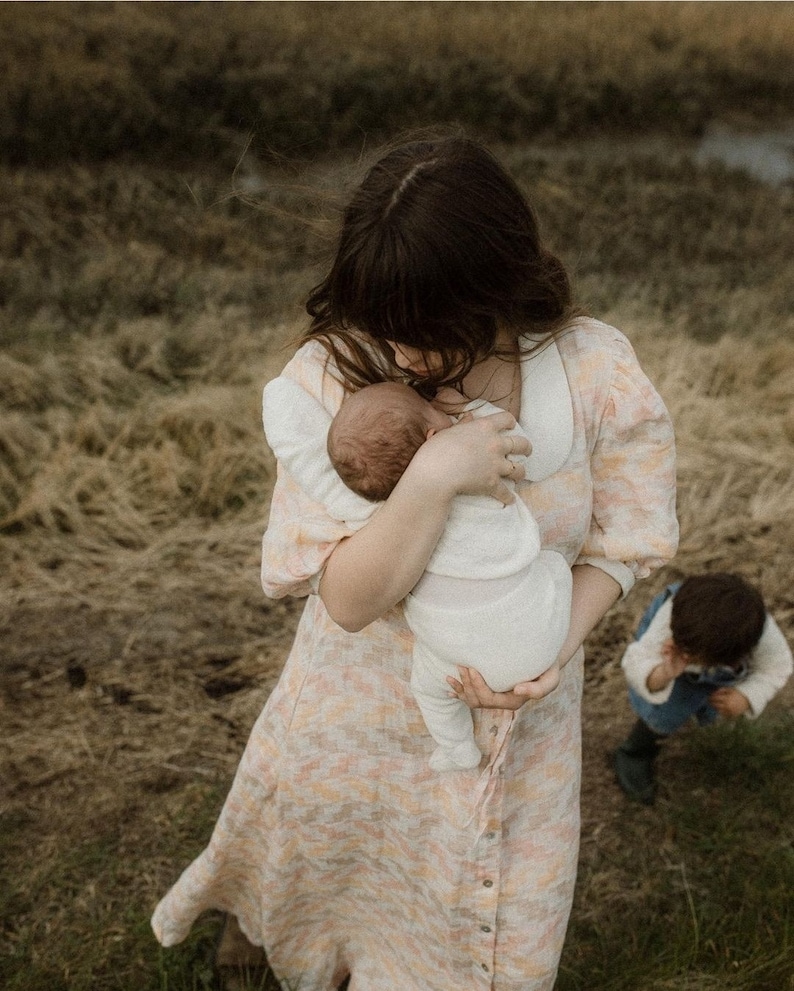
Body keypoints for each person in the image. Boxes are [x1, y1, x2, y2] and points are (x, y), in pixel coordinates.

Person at [152, 134, 679, 991]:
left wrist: (553, 646)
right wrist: (432, 478)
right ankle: (264, 933)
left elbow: (625, 542)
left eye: (423, 331)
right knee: (333, 879)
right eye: (380, 322)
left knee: (491, 925)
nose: (395, 353)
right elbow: (348, 601)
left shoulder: (593, 372)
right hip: (362, 717)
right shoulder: (331, 378)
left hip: (526, 734)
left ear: (492, 290)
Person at [270, 377, 573, 771]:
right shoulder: (480, 470)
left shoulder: (370, 513)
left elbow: (309, 464)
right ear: (433, 434)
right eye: (431, 407)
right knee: (553, 567)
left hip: (452, 654)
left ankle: (456, 748)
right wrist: (469, 408)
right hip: (536, 639)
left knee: (430, 690)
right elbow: (508, 439)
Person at [614, 572, 793, 805]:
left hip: (722, 655)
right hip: (667, 660)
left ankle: (705, 697)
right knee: (663, 711)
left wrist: (746, 696)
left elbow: (777, 666)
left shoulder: (756, 630)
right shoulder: (673, 619)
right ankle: (635, 751)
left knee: (711, 696)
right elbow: (636, 663)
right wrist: (666, 671)